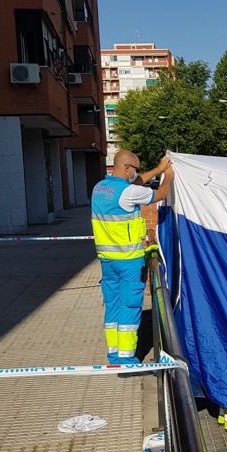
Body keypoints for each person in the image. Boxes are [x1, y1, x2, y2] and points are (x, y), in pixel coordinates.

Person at [91, 150, 173, 365]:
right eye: (134, 169)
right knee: (129, 307)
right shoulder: (128, 193)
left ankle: (113, 354)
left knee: (113, 305)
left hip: (107, 260)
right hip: (129, 262)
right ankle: (126, 359)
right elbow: (160, 194)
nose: (135, 174)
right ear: (127, 168)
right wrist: (170, 175)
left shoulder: (99, 188)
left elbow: (137, 182)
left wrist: (158, 169)